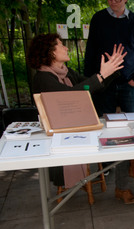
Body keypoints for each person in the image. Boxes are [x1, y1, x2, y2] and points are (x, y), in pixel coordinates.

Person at [27, 33, 126, 191]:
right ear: (49, 51)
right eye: (61, 44)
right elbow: (72, 96)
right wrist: (101, 75)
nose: (66, 47)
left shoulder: (66, 72)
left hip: (76, 126)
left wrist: (111, 70)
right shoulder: (43, 78)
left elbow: (89, 87)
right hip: (59, 135)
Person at [84, 0, 134, 204]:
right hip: (104, 85)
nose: (115, 0)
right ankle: (104, 172)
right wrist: (91, 82)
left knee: (132, 133)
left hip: (129, 86)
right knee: (104, 131)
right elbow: (90, 52)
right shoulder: (98, 19)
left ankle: (124, 185)